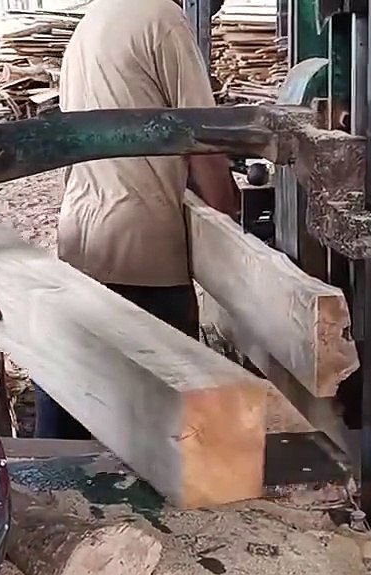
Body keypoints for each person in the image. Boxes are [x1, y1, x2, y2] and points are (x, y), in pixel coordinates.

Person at [34, 0, 240, 439]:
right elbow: (203, 134)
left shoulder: (89, 24)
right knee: (168, 438)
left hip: (81, 239)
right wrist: (230, 226)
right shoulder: (162, 19)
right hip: (143, 251)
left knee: (81, 413)